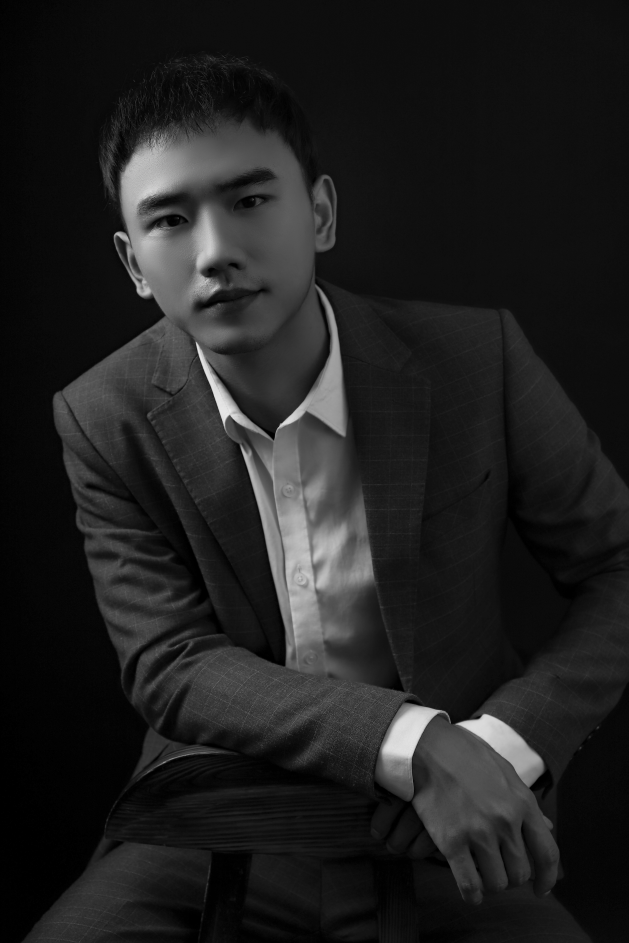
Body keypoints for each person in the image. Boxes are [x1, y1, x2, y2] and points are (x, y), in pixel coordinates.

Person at [25, 52, 628, 942]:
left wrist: (498, 745)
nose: (215, 250)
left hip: (446, 831)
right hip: (213, 815)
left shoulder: (477, 362)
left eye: (249, 199)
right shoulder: (102, 414)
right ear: (132, 263)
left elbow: (617, 567)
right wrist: (413, 741)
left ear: (320, 213)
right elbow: (168, 660)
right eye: (169, 219)